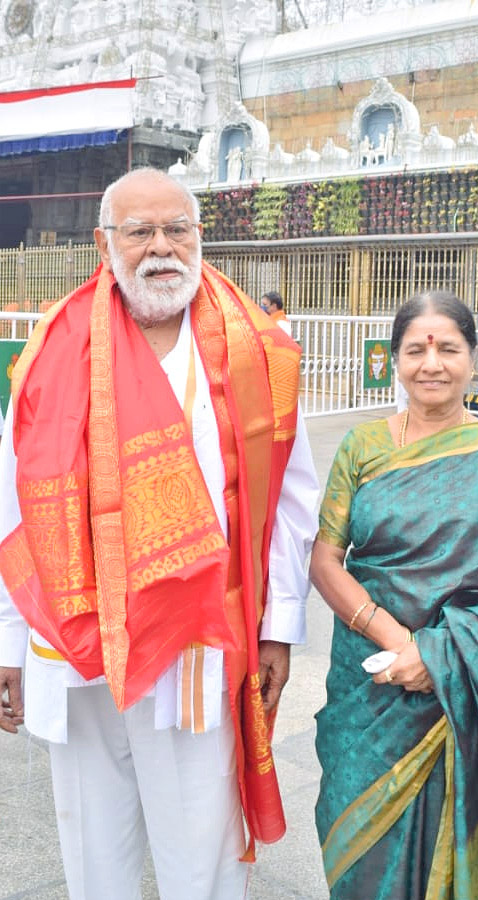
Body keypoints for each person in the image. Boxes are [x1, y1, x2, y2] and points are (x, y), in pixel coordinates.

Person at [0, 167, 319, 900]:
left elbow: (292, 503)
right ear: (103, 242)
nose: (161, 248)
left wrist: (279, 627)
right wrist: (8, 640)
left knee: (198, 854)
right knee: (93, 847)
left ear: (199, 235)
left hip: (198, 642)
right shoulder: (54, 346)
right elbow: (13, 503)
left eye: (177, 228)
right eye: (139, 231)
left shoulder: (255, 350)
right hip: (78, 642)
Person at [310, 290, 478, 900]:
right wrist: (403, 646)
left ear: (472, 356)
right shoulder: (362, 448)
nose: (431, 364)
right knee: (361, 846)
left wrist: (442, 658)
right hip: (374, 684)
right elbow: (325, 560)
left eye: (448, 349)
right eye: (415, 349)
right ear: (395, 357)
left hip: (469, 691)